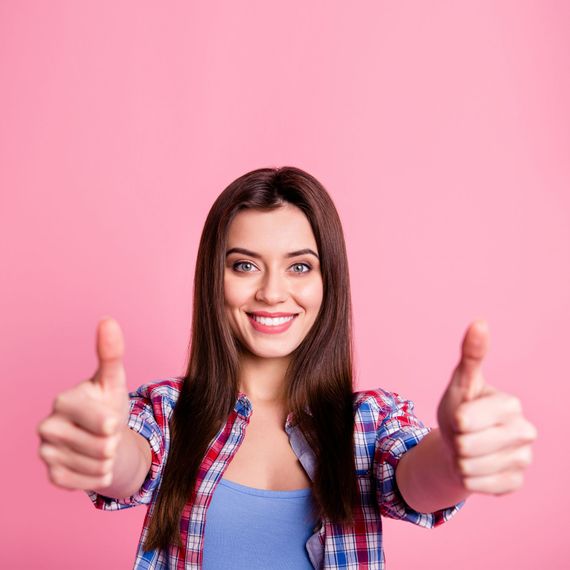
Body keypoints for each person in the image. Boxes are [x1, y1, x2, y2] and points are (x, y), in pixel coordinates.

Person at [37, 166, 538, 569]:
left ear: (328, 282)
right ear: (214, 278)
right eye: (244, 265)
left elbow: (420, 481)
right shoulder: (169, 411)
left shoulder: (369, 422)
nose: (272, 292)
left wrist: (455, 455)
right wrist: (103, 451)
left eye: (299, 266)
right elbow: (129, 465)